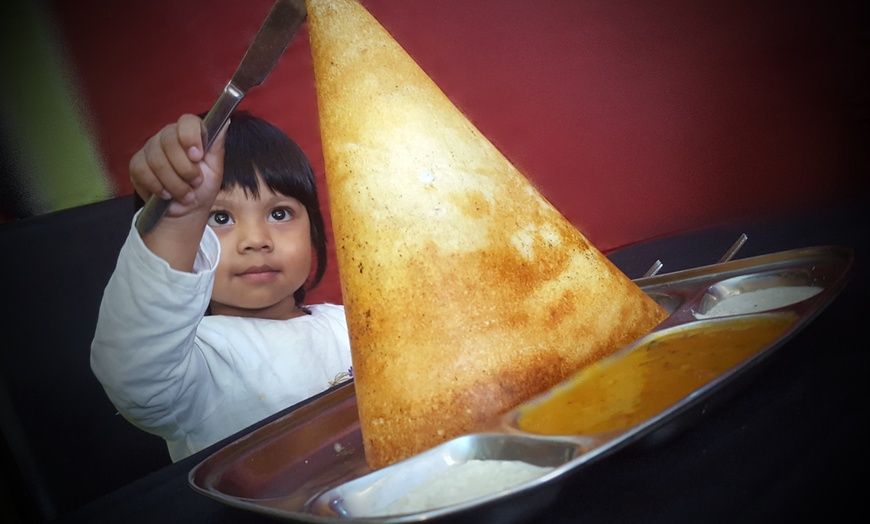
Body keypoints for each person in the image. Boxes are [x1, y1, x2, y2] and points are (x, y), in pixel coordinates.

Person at [91, 111, 352, 462]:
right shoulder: (194, 360)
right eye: (220, 218)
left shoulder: (349, 325)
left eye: (279, 214)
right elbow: (135, 378)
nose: (255, 240)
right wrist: (178, 221)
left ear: (314, 231)